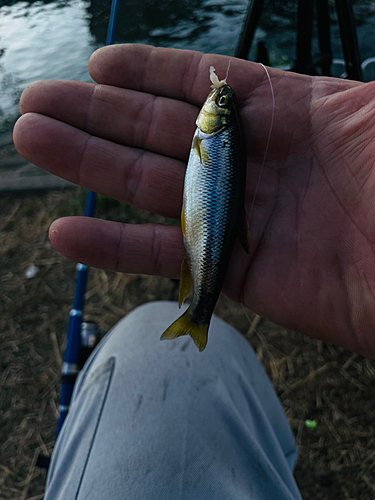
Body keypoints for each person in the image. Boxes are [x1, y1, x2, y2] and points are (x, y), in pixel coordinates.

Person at [13, 44, 375, 499]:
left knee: (164, 301)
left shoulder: (214, 136)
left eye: (219, 104)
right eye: (220, 102)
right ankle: (197, 313)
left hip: (208, 225)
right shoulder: (215, 137)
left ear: (215, 121)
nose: (215, 100)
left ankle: (196, 315)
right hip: (209, 222)